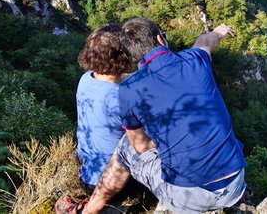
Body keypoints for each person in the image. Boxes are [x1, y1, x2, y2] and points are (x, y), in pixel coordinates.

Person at [81, 18, 246, 214]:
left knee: (126, 145)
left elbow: (141, 147)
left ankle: (89, 210)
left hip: (188, 200)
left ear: (130, 55)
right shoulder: (195, 59)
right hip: (235, 184)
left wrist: (165, 138)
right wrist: (218, 32)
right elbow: (204, 41)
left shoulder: (129, 89)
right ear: (160, 39)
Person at [69, 24, 146, 213]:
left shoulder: (87, 79)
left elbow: (119, 78)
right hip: (115, 186)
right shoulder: (123, 98)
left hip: (88, 176)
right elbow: (142, 145)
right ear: (125, 55)